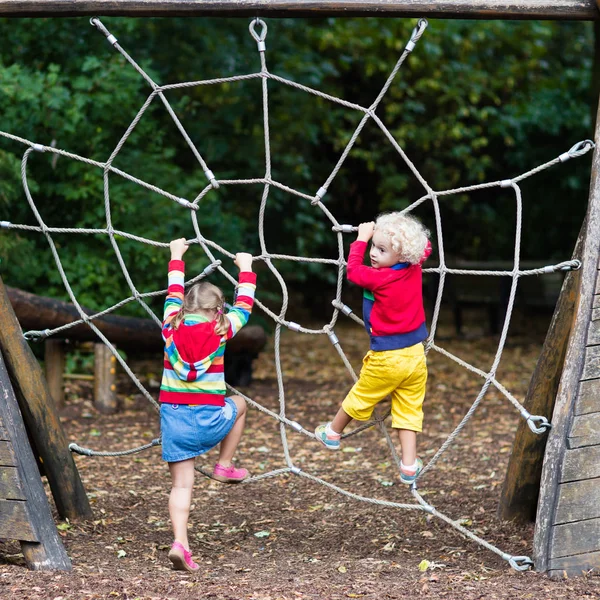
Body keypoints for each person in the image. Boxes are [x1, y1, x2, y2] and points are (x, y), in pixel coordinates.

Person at [160, 238, 256, 572]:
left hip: (174, 420)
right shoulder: (222, 329)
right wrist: (246, 268)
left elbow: (173, 292)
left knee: (181, 485)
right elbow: (244, 306)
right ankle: (224, 464)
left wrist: (176, 256)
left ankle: (180, 543)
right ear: (218, 310)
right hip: (209, 418)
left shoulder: (170, 325)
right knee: (240, 404)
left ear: (184, 307)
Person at [315, 213, 431, 485]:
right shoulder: (414, 267)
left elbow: (352, 270)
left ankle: (332, 432)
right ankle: (409, 464)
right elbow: (425, 247)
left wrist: (362, 238)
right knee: (409, 409)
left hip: (388, 357)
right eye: (372, 248)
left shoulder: (377, 278)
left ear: (402, 253)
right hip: (416, 355)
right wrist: (393, 230)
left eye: (382, 249)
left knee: (362, 395)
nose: (373, 254)